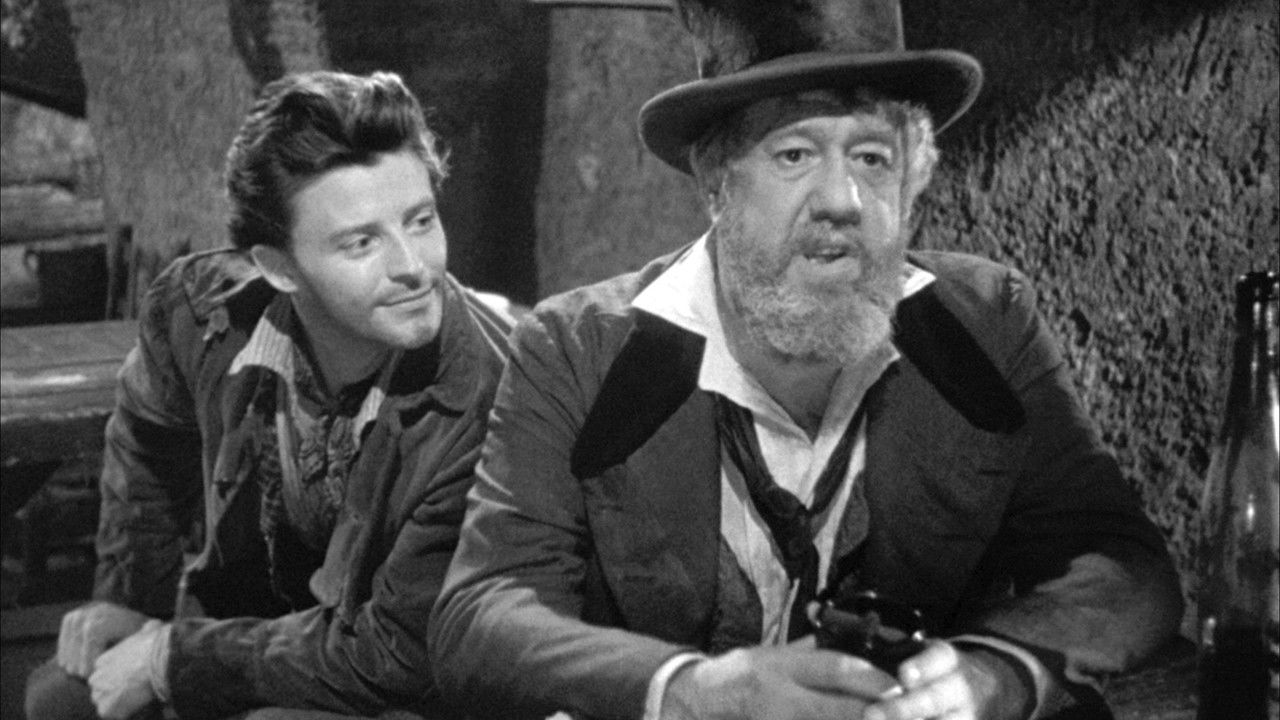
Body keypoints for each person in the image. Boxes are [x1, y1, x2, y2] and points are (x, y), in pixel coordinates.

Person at [428, 1, 1183, 719]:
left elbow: (1123, 564)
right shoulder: (578, 350)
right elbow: (481, 615)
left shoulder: (985, 322)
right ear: (716, 183)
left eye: (873, 158)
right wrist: (690, 692)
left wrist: (1002, 672)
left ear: (913, 184)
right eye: (795, 154)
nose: (843, 200)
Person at [25, 70, 512, 720]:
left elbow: (399, 651)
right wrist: (130, 602)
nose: (413, 266)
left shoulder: (488, 396)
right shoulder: (201, 312)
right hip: (267, 630)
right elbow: (146, 440)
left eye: (421, 221)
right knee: (62, 699)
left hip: (424, 683)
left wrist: (173, 656)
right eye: (361, 242)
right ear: (278, 268)